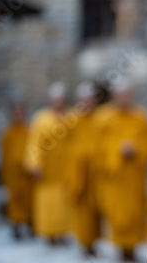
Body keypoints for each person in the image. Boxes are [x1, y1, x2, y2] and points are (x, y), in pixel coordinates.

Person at [94, 79, 147, 261]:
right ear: (113, 96)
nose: (124, 99)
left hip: (134, 176)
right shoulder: (102, 118)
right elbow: (96, 147)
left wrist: (136, 149)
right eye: (120, 96)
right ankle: (120, 248)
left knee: (135, 213)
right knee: (116, 213)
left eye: (127, 95)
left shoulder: (141, 116)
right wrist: (116, 151)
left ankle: (132, 249)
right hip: (113, 177)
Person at [24, 81, 72, 244]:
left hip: (64, 171)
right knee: (47, 204)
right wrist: (34, 164)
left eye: (61, 99)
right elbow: (33, 143)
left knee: (63, 204)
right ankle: (49, 235)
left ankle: (62, 233)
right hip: (46, 172)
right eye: (55, 99)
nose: (58, 103)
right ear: (51, 100)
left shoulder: (70, 117)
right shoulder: (41, 118)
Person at [65, 81, 102, 257]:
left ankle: (93, 243)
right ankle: (83, 243)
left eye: (90, 100)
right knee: (81, 210)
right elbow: (63, 146)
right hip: (78, 172)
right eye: (83, 100)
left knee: (94, 211)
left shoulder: (101, 118)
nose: (87, 104)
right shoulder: (71, 119)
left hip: (96, 173)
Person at [0, 104, 33, 239]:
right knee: (14, 200)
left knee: (29, 199)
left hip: (27, 173)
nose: (18, 116)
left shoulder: (29, 130)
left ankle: (32, 225)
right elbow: (4, 154)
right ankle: (16, 226)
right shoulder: (7, 132)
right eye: (16, 113)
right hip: (13, 173)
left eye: (21, 113)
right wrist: (4, 173)